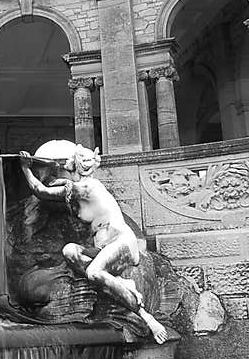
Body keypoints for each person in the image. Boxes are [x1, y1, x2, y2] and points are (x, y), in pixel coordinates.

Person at [18, 143, 168, 344]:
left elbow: (40, 190)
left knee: (93, 272)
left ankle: (146, 316)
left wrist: (25, 168)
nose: (61, 172)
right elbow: (61, 184)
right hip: (103, 249)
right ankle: (120, 282)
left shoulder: (87, 188)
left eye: (64, 168)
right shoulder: (81, 186)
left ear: (73, 167)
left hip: (122, 242)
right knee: (70, 251)